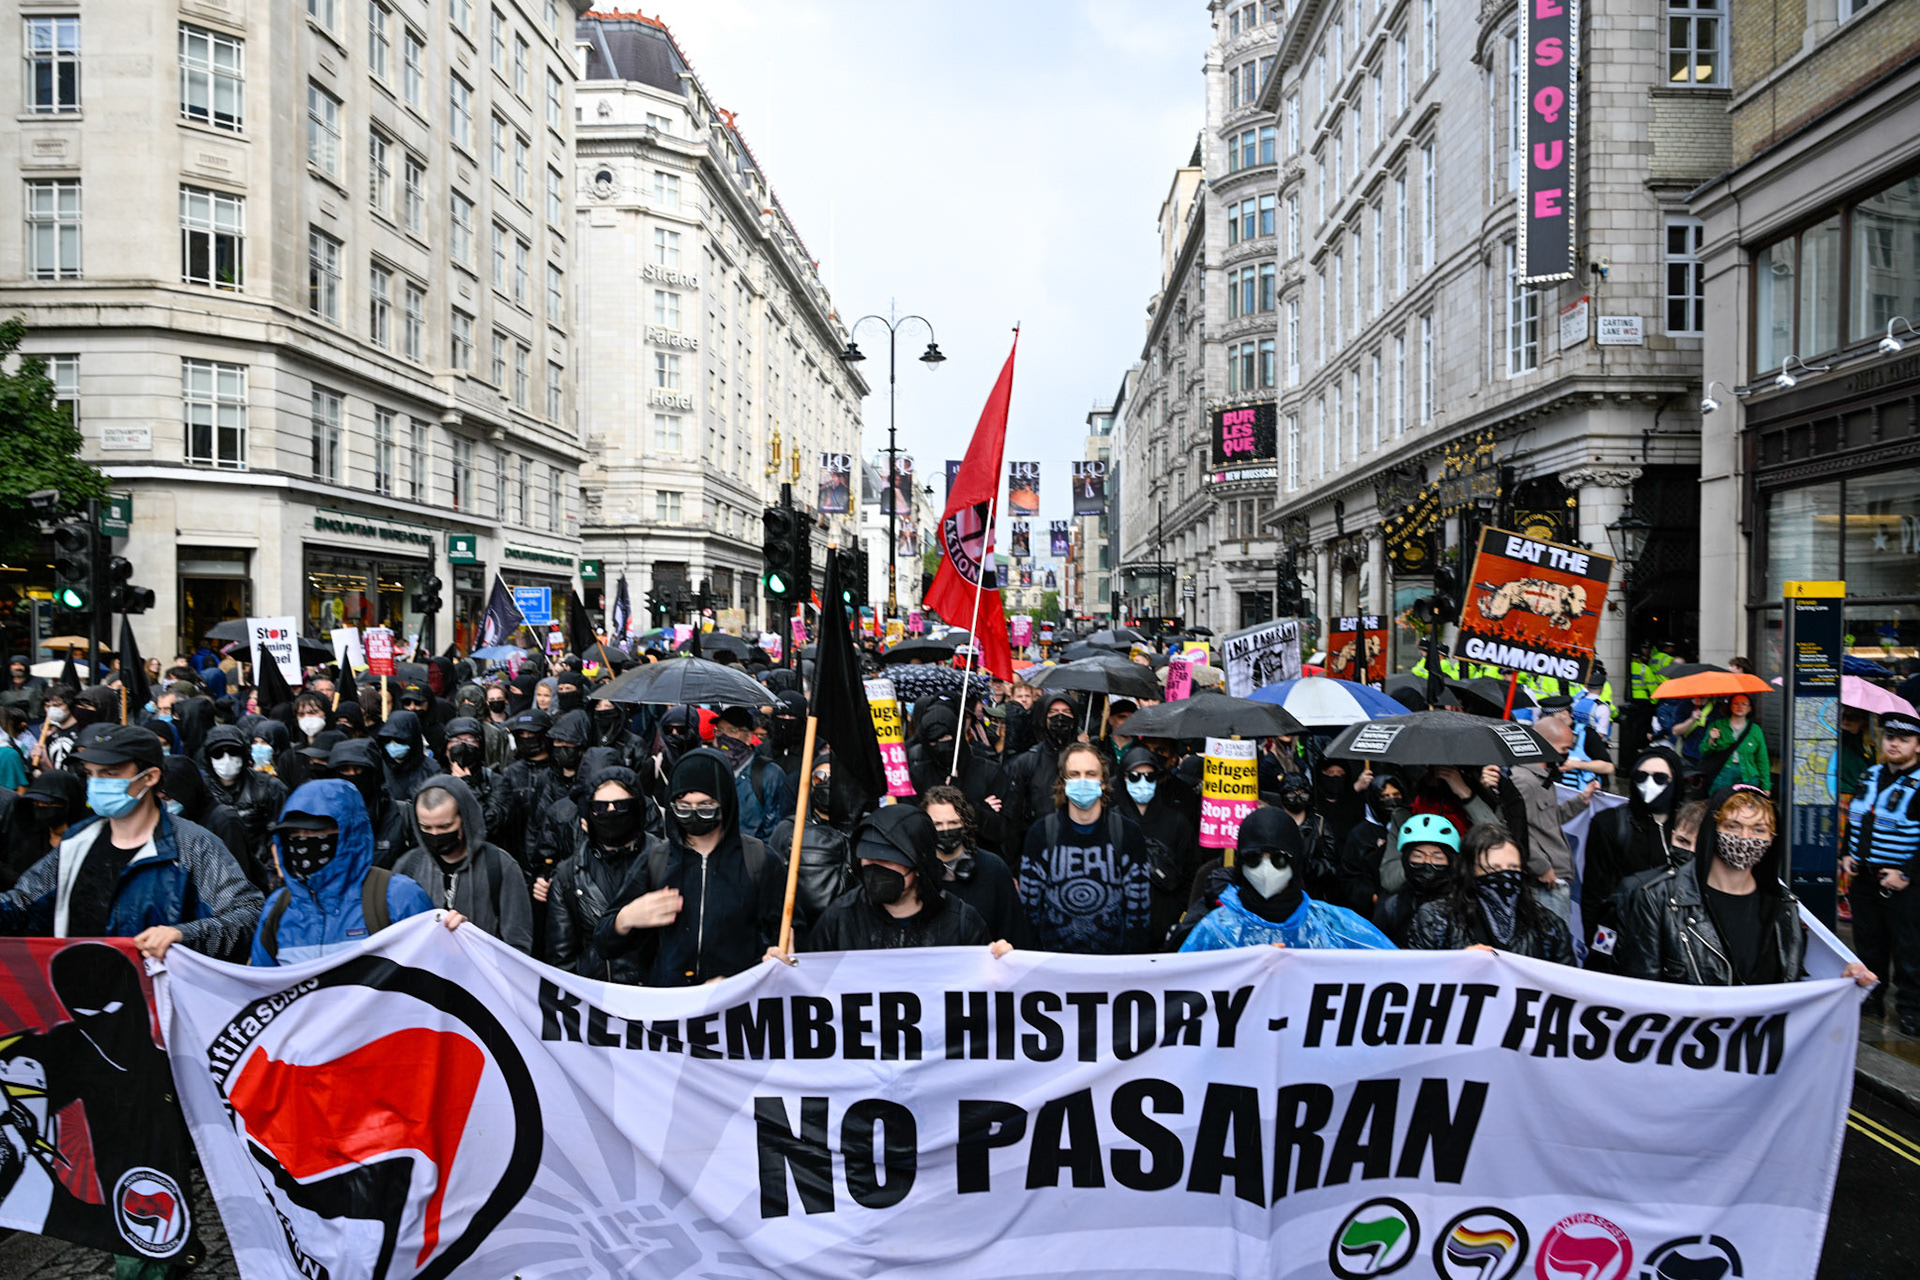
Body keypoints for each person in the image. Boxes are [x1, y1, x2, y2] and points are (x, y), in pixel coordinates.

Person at [0, 724, 263, 959]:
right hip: (77, 990)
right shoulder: (77, 841)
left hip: (156, 993)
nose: (96, 784)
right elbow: (23, 902)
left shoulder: (193, 847)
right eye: (91, 774)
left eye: (110, 773)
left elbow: (248, 916)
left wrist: (183, 935)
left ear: (150, 777)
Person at [1622, 786, 1874, 991]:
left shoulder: (1784, 908)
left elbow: (1795, 988)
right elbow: (1641, 993)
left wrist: (1842, 982)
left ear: (1772, 839)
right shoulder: (1659, 899)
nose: (1745, 838)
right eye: (1733, 826)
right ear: (1712, 830)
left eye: (1758, 830)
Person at [596, 747, 787, 986]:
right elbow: (604, 943)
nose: (694, 815)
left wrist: (760, 966)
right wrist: (625, 918)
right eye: (683, 807)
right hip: (671, 1001)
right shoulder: (656, 860)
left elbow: (785, 935)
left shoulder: (759, 859)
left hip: (738, 999)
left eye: (706, 806)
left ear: (725, 803)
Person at [249, 780, 435, 965]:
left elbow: (433, 970)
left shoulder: (398, 898)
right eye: (295, 834)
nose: (303, 841)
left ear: (349, 833)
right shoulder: (278, 908)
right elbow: (262, 979)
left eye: (315, 831)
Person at [1178, 807, 1395, 951]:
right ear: (1240, 862)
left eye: (1279, 859)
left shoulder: (1333, 925)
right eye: (1253, 859)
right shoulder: (1215, 929)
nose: (1265, 869)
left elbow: (1390, 970)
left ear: (1296, 861)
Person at [795, 805, 1000, 952]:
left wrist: (1000, 966)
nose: (875, 867)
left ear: (918, 865)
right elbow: (810, 983)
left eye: (887, 859)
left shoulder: (962, 924)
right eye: (868, 857)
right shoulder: (840, 919)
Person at [1020, 743, 1154, 953]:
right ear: (1063, 782)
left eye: (1091, 774)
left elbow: (1139, 908)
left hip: (1111, 963)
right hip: (1053, 962)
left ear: (1103, 783)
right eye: (1074, 774)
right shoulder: (1041, 833)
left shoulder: (1127, 833)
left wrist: (1129, 962)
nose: (1082, 781)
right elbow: (1029, 909)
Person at [545, 766, 662, 982]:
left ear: (636, 807)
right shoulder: (569, 875)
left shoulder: (667, 861)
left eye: (621, 805)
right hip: (598, 995)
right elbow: (561, 959)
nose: (610, 812)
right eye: (600, 807)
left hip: (657, 994)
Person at [392, 777, 534, 953]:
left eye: (445, 826)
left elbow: (518, 944)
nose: (435, 835)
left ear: (465, 818)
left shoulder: (501, 866)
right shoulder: (408, 866)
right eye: (426, 828)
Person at [1844, 711, 1920, 1026]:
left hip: (1903, 883)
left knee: (1908, 950)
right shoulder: (1869, 775)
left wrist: (1907, 874)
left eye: (1904, 739)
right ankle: (1871, 1001)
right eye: (1890, 737)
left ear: (1917, 746)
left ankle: (1911, 1010)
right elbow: (1856, 818)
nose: (1894, 744)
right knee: (1868, 945)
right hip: (1864, 878)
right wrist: (1845, 854)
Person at [1406, 822, 1575, 962]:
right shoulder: (1435, 920)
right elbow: (1415, 978)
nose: (1505, 876)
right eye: (1492, 869)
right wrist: (1456, 964)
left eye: (1513, 868)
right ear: (1470, 872)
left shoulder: (1548, 927)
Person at [1583, 746, 1686, 967]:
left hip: (1674, 941)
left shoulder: (1688, 827)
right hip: (1623, 938)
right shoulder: (1609, 823)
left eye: (1660, 778)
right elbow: (1594, 892)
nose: (1649, 784)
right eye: (1641, 776)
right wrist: (1599, 949)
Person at [1114, 745, 1200, 942]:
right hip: (1118, 927)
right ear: (1123, 778)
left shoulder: (1177, 823)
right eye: (1134, 776)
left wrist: (1175, 913)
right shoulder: (1110, 822)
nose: (1142, 783)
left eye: (1149, 776)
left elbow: (1191, 872)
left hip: (1163, 925)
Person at [921, 785, 1027, 946]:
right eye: (937, 824)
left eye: (953, 822)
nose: (946, 830)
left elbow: (1015, 932)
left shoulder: (993, 869)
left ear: (965, 823)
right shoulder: (917, 873)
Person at [767, 748, 856, 935]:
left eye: (834, 777)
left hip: (845, 929)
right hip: (798, 929)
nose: (826, 783)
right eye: (820, 776)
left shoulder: (860, 829)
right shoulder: (788, 829)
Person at [1002, 692, 1084, 870]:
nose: (1060, 718)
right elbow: (1014, 816)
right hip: (1039, 850)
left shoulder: (1087, 759)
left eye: (1066, 712)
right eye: (1053, 712)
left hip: (1081, 850)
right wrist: (1013, 865)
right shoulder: (1028, 761)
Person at [202, 722, 289, 879]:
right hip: (214, 870)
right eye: (218, 753)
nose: (226, 759)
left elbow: (279, 831)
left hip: (261, 869)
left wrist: (276, 867)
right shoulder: (202, 790)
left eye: (233, 752)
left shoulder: (270, 787)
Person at [159, 755, 253, 884]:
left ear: (186, 792)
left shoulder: (224, 821)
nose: (164, 805)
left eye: (167, 798)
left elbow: (235, 878)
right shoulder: (171, 822)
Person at [327, 738, 415, 868]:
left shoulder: (402, 815)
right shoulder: (324, 817)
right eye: (345, 770)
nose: (352, 775)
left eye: (358, 769)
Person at [1373, 813, 1458, 946]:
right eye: (1418, 856)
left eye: (1437, 858)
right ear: (1406, 860)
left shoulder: (1466, 905)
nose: (1427, 862)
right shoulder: (1391, 907)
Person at [713, 705, 793, 842]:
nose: (724, 737)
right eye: (719, 730)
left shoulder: (769, 774)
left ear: (748, 737)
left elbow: (776, 828)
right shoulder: (711, 768)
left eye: (732, 731)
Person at [1702, 693, 1769, 791]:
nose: (1740, 706)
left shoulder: (1755, 730)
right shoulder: (1718, 725)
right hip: (1723, 775)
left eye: (1744, 704)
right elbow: (1703, 751)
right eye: (1736, 703)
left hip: (1748, 776)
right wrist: (1711, 739)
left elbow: (1762, 759)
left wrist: (1766, 786)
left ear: (1750, 708)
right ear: (1730, 706)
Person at [375, 708, 437, 803]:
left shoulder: (431, 769)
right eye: (387, 740)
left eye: (399, 740)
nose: (393, 745)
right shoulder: (377, 767)